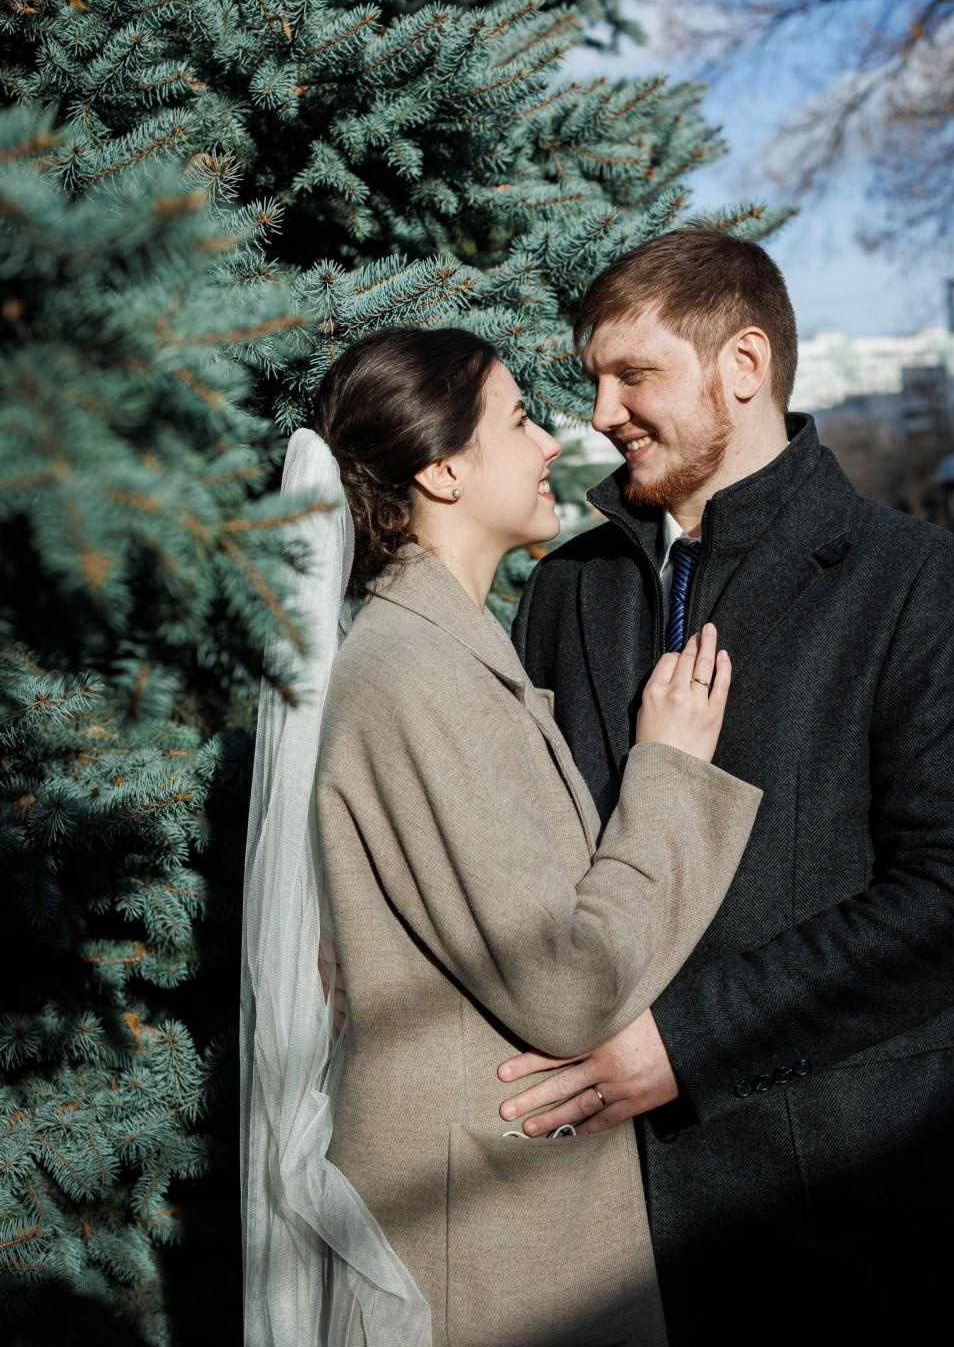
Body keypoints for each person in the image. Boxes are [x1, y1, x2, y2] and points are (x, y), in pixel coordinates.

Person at [504, 224, 954, 1346]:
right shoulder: (567, 591)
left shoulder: (912, 579)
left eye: (633, 374)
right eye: (592, 379)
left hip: (836, 1212)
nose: (600, 412)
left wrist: (686, 1043)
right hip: (603, 1226)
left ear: (740, 366)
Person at [241, 324, 764, 1347]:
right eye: (520, 419)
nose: (551, 444)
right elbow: (564, 985)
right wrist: (668, 770)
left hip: (505, 1206)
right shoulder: (412, 672)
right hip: (475, 1242)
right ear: (441, 468)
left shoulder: (451, 651)